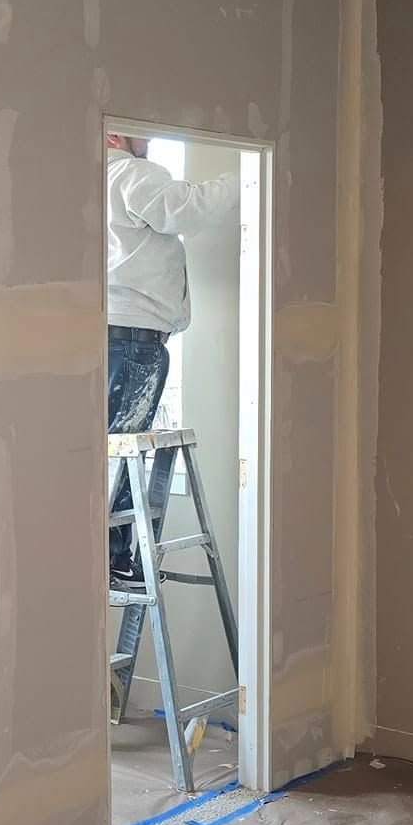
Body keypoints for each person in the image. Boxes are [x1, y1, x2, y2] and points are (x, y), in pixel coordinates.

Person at [105, 133, 237, 582]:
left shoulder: (93, 180)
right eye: (141, 130)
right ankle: (114, 559)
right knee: (120, 451)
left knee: (112, 449)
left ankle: (112, 556)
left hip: (117, 338)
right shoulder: (127, 172)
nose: (148, 140)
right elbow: (185, 207)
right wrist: (246, 182)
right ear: (116, 133)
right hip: (134, 341)